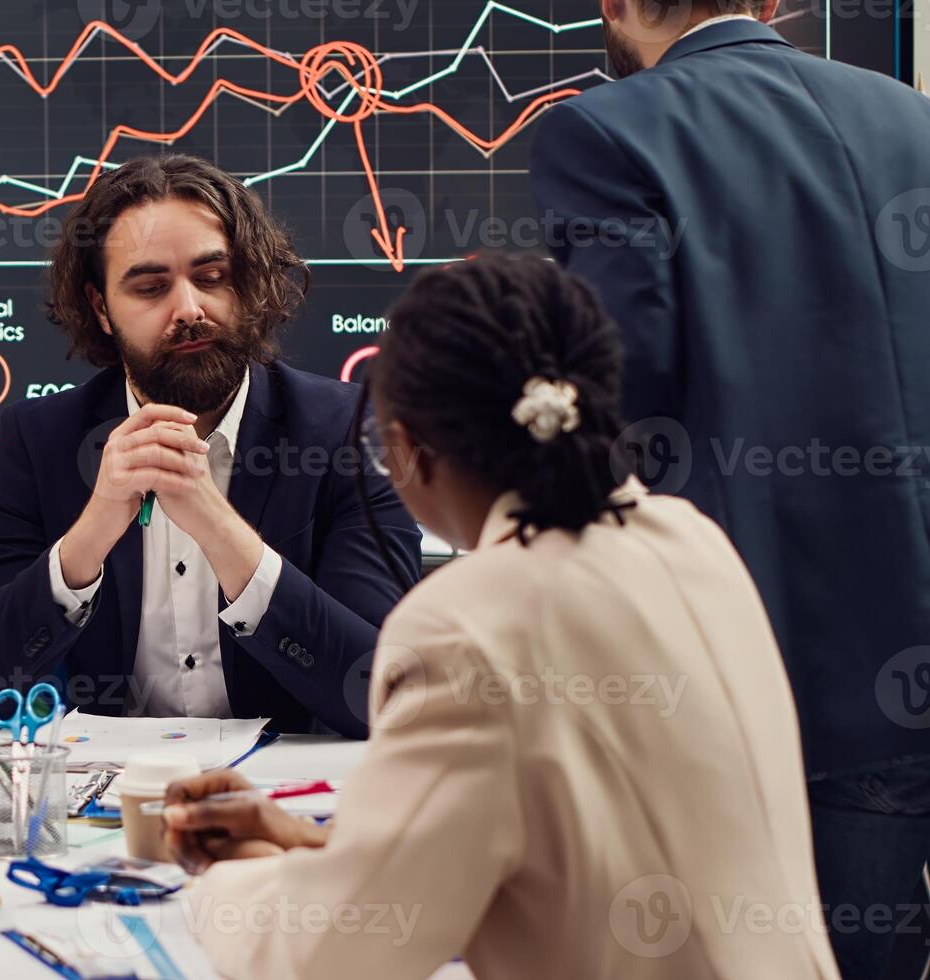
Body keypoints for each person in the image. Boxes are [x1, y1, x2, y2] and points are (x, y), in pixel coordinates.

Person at [160, 254, 839, 979]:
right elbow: (581, 836)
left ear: (409, 449)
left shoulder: (463, 624)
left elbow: (335, 954)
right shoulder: (691, 541)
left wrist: (222, 882)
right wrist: (310, 843)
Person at [528, 4, 930, 973]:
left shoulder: (605, 131)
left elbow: (618, 396)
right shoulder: (911, 119)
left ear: (613, 6)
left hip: (751, 671)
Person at [0, 154, 421, 736]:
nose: (188, 309)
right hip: (115, 803)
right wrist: (91, 533)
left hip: (296, 800)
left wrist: (219, 526)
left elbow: (383, 694)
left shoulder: (348, 432)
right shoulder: (41, 440)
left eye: (212, 278)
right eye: (151, 286)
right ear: (102, 309)